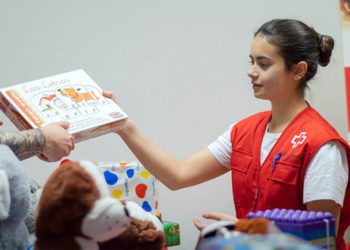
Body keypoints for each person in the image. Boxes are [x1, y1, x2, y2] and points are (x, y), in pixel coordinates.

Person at [105, 19, 350, 249]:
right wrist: (124, 127)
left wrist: (249, 232)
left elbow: (321, 243)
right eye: (251, 61)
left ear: (298, 71)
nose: (251, 71)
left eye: (263, 64)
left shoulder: (322, 146)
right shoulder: (242, 132)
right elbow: (177, 175)